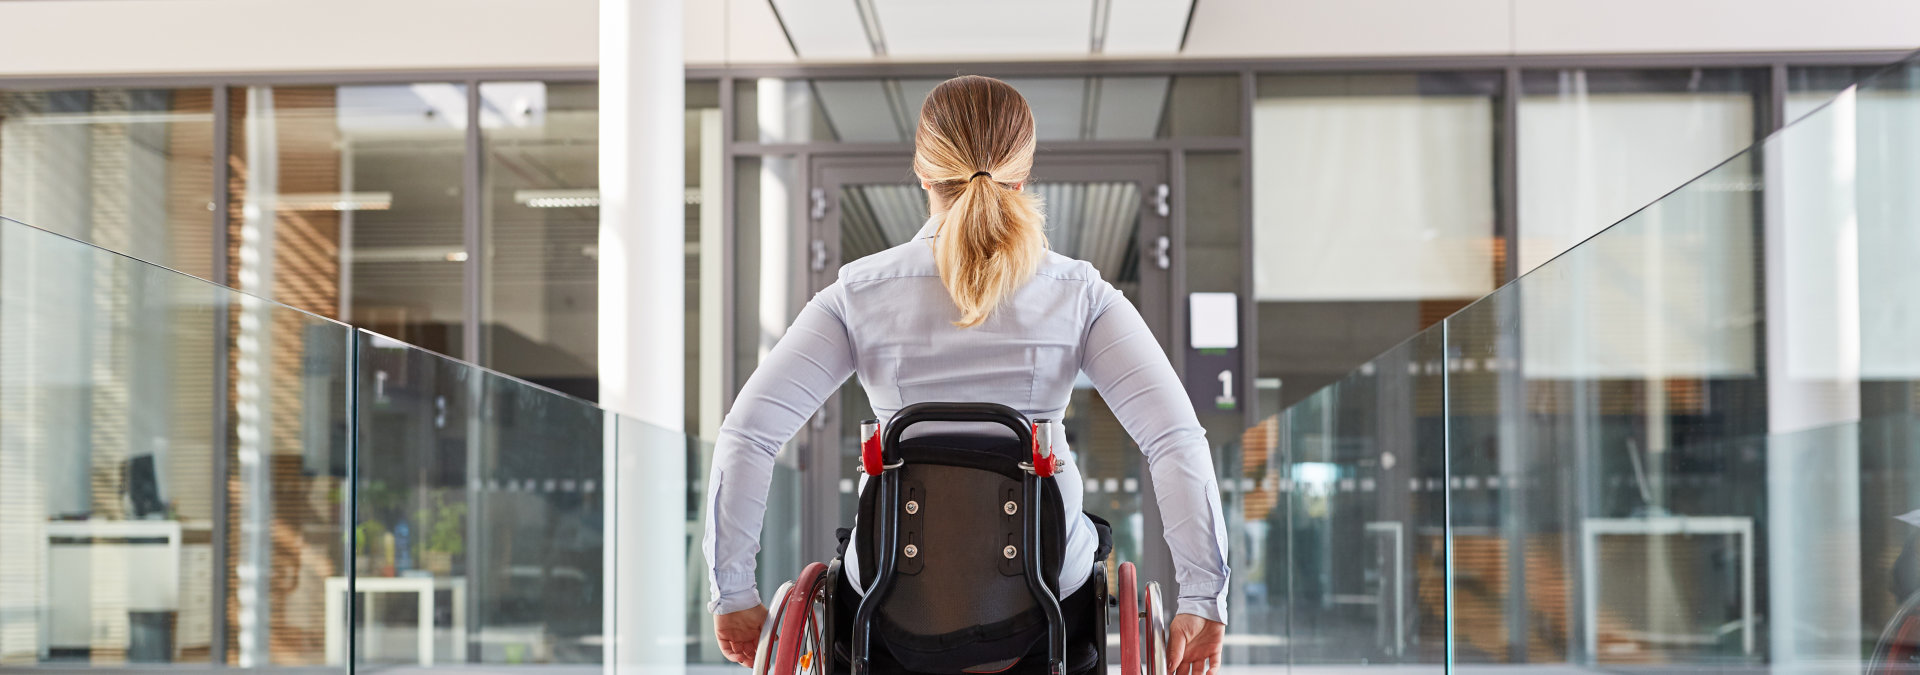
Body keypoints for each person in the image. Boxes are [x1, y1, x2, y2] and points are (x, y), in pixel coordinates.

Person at [703, 75, 1230, 675]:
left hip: (887, 612)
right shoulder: (1081, 294)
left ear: (924, 173)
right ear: (1023, 174)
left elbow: (748, 435)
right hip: (1050, 615)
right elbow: (1173, 440)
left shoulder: (856, 293)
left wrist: (735, 594)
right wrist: (1202, 597)